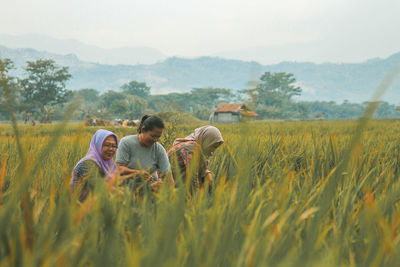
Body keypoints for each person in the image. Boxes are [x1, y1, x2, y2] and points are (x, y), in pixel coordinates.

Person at [116, 115, 172, 192]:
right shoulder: (126, 143)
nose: (155, 140)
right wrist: (137, 173)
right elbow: (119, 168)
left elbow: (167, 175)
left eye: (158, 137)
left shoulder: (159, 149)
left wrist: (173, 196)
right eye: (153, 136)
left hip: (150, 189)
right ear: (143, 130)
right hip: (127, 190)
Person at [167, 125, 223, 193]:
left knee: (207, 177)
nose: (213, 151)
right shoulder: (190, 148)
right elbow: (192, 178)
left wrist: (206, 174)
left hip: (177, 179)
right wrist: (196, 200)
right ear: (206, 141)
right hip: (165, 182)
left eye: (216, 147)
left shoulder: (198, 146)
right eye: (213, 146)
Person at [71, 129, 123, 201]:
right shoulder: (87, 164)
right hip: (80, 208)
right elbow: (100, 187)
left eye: (114, 146)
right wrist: (124, 195)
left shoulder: (112, 165)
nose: (111, 149)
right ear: (98, 145)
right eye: (107, 145)